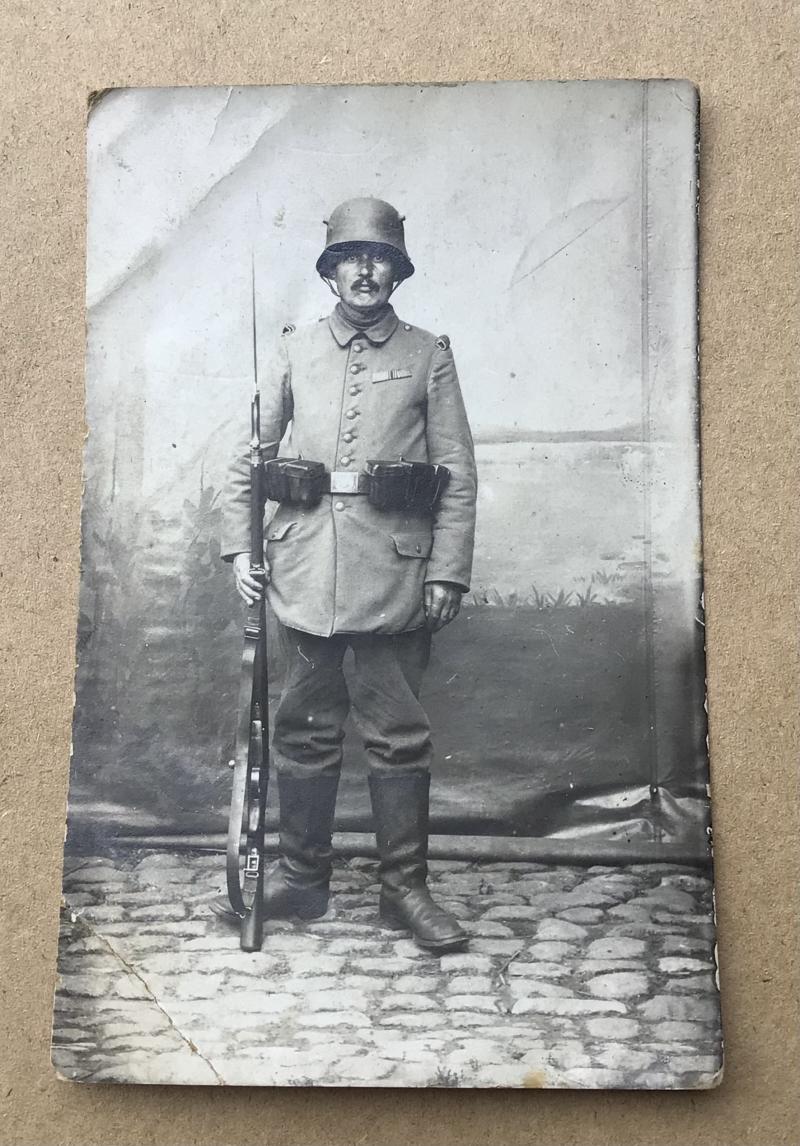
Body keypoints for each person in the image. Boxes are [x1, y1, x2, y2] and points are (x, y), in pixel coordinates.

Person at [215, 197, 477, 953]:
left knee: (396, 733)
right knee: (302, 729)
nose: (366, 271)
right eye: (351, 259)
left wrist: (448, 572)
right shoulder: (296, 348)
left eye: (381, 258)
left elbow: (456, 471)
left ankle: (405, 890)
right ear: (331, 272)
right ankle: (303, 878)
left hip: (396, 573)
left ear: (397, 270)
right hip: (302, 569)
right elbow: (250, 459)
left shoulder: (429, 352)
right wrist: (241, 551)